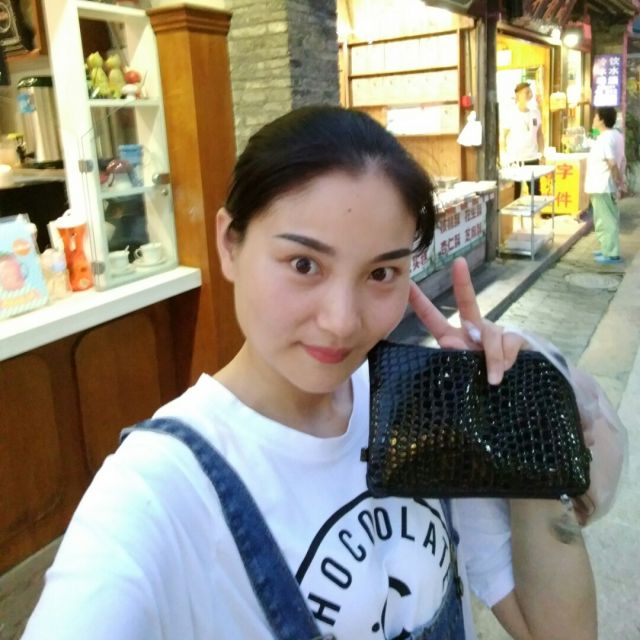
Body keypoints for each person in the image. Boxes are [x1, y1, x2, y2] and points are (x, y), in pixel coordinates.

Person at [23, 106, 599, 640]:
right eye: (304, 264)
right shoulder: (155, 490)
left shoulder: (419, 408)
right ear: (229, 243)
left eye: (381, 274)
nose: (341, 321)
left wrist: (521, 418)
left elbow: (556, 632)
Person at [585, 106, 626, 265]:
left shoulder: (605, 138)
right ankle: (606, 248)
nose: (593, 119)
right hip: (603, 185)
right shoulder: (615, 135)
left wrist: (619, 182)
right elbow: (621, 160)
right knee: (603, 219)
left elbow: (612, 162)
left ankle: (611, 253)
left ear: (601, 120)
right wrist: (620, 182)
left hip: (602, 185)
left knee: (606, 220)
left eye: (595, 117)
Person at [501, 82, 545, 199]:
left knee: (535, 192)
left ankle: (535, 211)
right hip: (516, 160)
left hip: (533, 158)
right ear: (518, 95)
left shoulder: (536, 112)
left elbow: (540, 135)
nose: (530, 95)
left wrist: (542, 154)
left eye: (530, 92)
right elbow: (503, 136)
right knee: (515, 193)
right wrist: (504, 156)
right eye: (527, 92)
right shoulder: (511, 113)